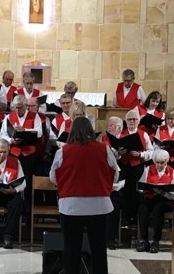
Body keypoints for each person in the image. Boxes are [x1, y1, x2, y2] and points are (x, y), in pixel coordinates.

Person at [50, 116, 119, 274]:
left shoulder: (63, 151)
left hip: (71, 206)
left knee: (71, 249)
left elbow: (54, 177)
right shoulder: (104, 149)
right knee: (99, 249)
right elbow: (115, 175)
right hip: (99, 205)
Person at [117, 109, 154, 226]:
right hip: (123, 165)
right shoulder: (121, 134)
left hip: (137, 166)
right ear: (126, 121)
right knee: (124, 191)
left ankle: (135, 218)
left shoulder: (144, 134)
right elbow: (115, 150)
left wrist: (140, 154)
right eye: (129, 119)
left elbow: (151, 152)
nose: (132, 121)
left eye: (134, 119)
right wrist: (120, 152)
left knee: (136, 192)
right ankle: (125, 217)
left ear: (138, 121)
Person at [137, 148, 174, 253]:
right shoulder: (148, 169)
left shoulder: (172, 172)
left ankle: (155, 241)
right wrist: (145, 189)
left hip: (165, 200)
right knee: (143, 209)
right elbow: (140, 186)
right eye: (157, 163)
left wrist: (162, 192)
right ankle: (144, 240)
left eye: (162, 163)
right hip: (151, 197)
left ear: (166, 161)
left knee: (157, 209)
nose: (159, 165)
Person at [1, 95, 42, 179]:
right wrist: (11, 140)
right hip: (13, 153)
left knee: (28, 178)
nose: (17, 110)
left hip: (28, 153)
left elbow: (40, 132)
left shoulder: (34, 116)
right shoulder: (9, 117)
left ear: (25, 106)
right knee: (13, 176)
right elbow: (2, 134)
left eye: (20, 107)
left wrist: (24, 130)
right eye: (15, 107)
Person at [100, 116, 125, 250]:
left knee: (114, 204)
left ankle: (111, 238)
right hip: (105, 178)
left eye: (112, 125)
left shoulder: (125, 139)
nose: (109, 127)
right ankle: (101, 236)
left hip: (121, 181)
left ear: (119, 128)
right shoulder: (104, 139)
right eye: (109, 125)